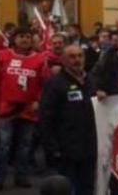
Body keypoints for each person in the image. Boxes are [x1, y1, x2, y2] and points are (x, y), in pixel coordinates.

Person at [0, 27, 49, 191]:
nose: (25, 39)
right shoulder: (2, 56)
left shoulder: (40, 60)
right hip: (6, 109)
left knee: (25, 146)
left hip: (28, 110)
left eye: (28, 37)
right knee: (4, 145)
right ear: (14, 39)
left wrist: (39, 100)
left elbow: (46, 85)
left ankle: (21, 176)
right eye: (21, 36)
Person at [39, 45, 96, 195]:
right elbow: (46, 117)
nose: (77, 60)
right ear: (63, 60)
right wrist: (52, 147)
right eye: (72, 57)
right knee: (66, 188)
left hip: (89, 148)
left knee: (88, 188)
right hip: (66, 149)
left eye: (80, 56)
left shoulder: (92, 81)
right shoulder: (55, 84)